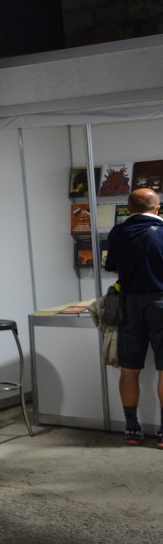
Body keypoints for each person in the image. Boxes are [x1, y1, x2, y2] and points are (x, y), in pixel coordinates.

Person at [102, 187, 163, 446]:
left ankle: (131, 428)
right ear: (157, 208)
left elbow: (112, 266)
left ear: (129, 209)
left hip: (128, 304)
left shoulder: (118, 232)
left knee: (129, 369)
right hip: (160, 301)